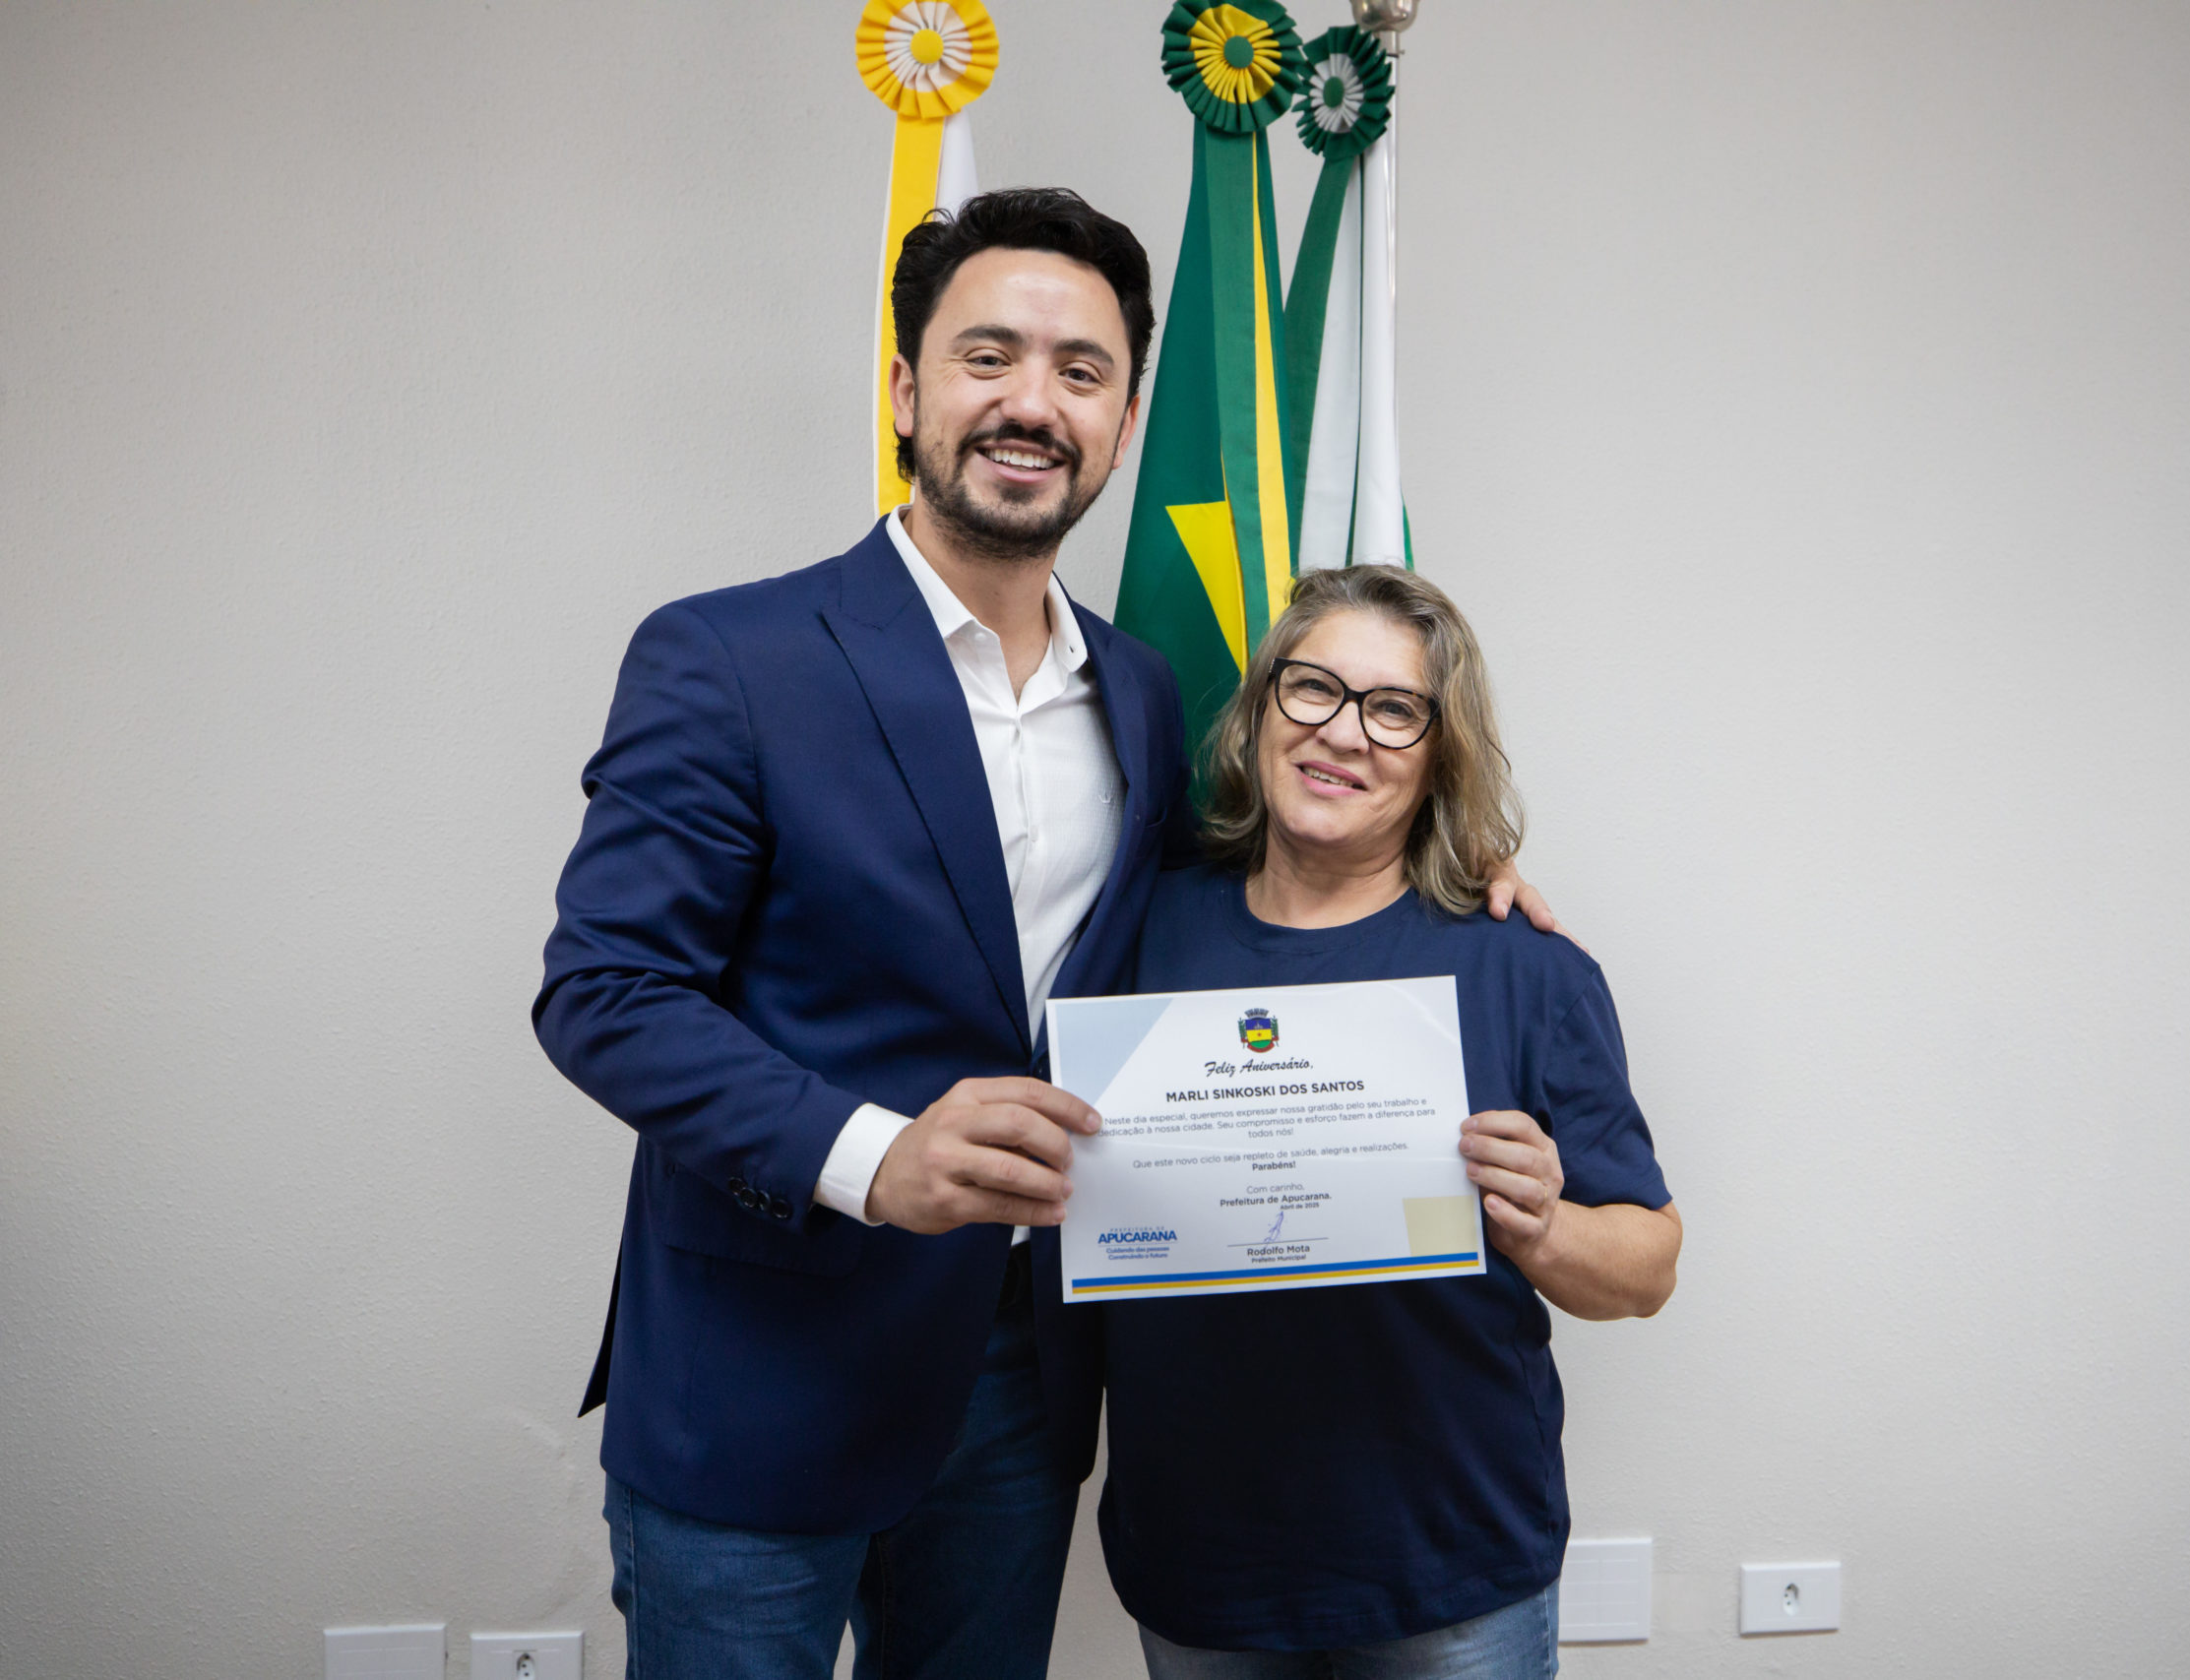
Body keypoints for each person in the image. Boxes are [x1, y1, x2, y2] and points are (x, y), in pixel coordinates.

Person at [533, 190, 1555, 1680]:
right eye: (988, 355)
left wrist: (1465, 856)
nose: (1032, 402)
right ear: (905, 389)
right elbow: (607, 989)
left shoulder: (1144, 693)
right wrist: (874, 1154)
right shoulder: (728, 654)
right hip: (759, 1368)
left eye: (1081, 371)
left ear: (1126, 421)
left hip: (1023, 1384)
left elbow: (1252, 882)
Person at [1096, 565, 1684, 1680]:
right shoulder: (1140, 927)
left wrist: (1543, 1224)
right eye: (1313, 687)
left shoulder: (1525, 968)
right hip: (1201, 1566)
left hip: (1449, 1573)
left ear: (1438, 753)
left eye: (1394, 708)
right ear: (1262, 705)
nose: (1342, 732)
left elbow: (1648, 1268)